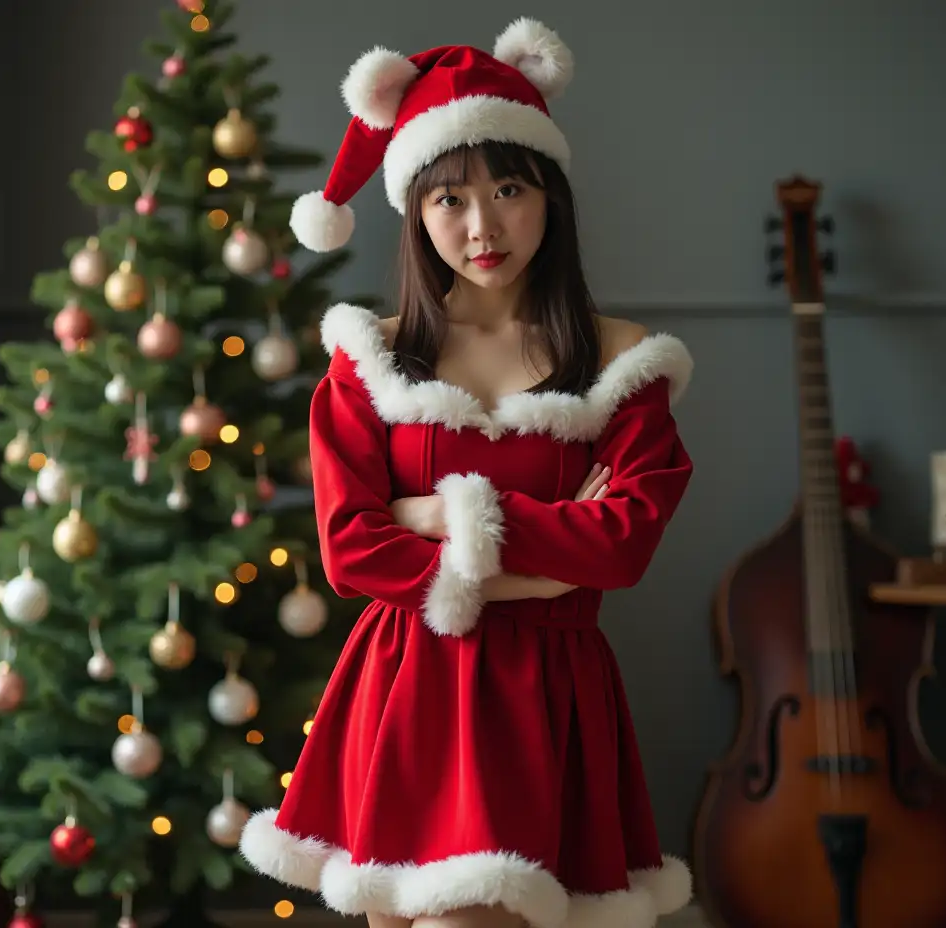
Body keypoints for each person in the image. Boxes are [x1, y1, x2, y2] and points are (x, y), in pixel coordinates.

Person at [239, 17, 695, 928]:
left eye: (510, 189)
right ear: (415, 212)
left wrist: (430, 515)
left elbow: (627, 541)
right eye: (449, 200)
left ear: (550, 198)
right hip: (407, 688)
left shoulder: (621, 361)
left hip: (546, 697)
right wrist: (548, 550)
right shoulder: (369, 361)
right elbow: (348, 551)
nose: (482, 225)